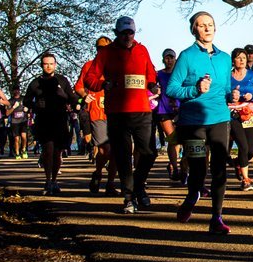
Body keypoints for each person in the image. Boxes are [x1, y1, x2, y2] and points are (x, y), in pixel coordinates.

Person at [166, 12, 235, 236]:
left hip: (220, 119)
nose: (207, 28)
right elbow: (172, 89)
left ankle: (216, 217)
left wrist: (233, 95)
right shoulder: (186, 56)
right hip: (193, 122)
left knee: (219, 169)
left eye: (210, 25)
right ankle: (191, 196)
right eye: (202, 25)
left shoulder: (225, 58)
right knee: (198, 169)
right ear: (193, 30)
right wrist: (195, 89)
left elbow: (224, 89)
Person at [97, 16, 159, 212]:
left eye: (130, 33)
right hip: (118, 112)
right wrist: (102, 84)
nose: (127, 36)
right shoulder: (107, 52)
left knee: (149, 153)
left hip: (142, 110)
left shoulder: (142, 50)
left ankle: (138, 186)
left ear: (134, 33)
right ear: (117, 33)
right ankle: (129, 197)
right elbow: (91, 77)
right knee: (123, 156)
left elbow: (151, 71)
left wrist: (151, 83)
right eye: (123, 33)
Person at [23, 52, 79, 195]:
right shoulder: (35, 83)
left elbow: (72, 98)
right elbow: (27, 100)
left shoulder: (62, 80)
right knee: (48, 151)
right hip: (44, 119)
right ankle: (48, 180)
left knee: (58, 152)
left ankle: (54, 180)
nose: (48, 66)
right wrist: (34, 106)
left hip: (60, 119)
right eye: (45, 64)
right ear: (42, 65)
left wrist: (71, 101)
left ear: (55, 65)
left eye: (51, 63)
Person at [77, 34, 116, 195]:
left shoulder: (117, 66)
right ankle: (98, 172)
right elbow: (79, 87)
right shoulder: (89, 66)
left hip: (116, 112)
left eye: (106, 48)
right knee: (104, 150)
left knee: (116, 150)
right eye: (100, 48)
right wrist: (84, 95)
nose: (103, 51)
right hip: (97, 112)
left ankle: (110, 183)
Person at [228, 47, 253, 192]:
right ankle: (246, 180)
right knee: (243, 146)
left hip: (249, 114)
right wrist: (231, 96)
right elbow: (223, 93)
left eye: (244, 57)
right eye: (238, 57)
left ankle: (239, 163)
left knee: (250, 150)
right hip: (233, 115)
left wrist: (252, 97)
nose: (242, 60)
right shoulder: (227, 77)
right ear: (233, 61)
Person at [154, 48, 183, 184]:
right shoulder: (158, 74)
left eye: (171, 57)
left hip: (178, 109)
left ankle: (175, 164)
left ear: (175, 59)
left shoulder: (179, 74)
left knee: (181, 139)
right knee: (173, 139)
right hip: (163, 109)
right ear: (163, 59)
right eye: (167, 58)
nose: (169, 60)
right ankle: (175, 167)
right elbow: (151, 87)